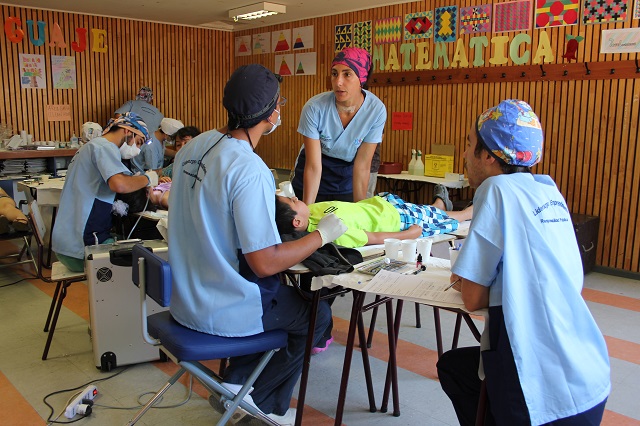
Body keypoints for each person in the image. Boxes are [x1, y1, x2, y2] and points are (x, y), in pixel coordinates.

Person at [167, 64, 347, 425]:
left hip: (185, 295)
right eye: (279, 103)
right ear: (270, 113)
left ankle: (237, 383)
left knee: (280, 302)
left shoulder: (195, 145)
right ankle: (260, 404)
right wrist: (321, 235)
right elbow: (265, 263)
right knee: (316, 316)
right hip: (224, 306)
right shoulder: (250, 168)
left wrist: (275, 208)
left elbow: (214, 202)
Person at [436, 100, 610, 425]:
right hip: (590, 374)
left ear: (489, 155)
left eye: (469, 145)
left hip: (540, 393)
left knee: (457, 370)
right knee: (456, 368)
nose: (465, 155)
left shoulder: (496, 189)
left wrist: (469, 281)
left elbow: (472, 297)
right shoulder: (547, 190)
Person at [52, 113, 158, 272]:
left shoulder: (91, 147)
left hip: (66, 244)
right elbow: (119, 185)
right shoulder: (105, 147)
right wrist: (148, 178)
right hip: (81, 248)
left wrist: (135, 180)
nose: (137, 149)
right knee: (147, 258)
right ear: (128, 131)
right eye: (138, 142)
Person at [291, 47, 387, 204]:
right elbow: (313, 166)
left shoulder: (375, 110)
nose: (338, 82)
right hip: (311, 179)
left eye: (347, 74)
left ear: (362, 78)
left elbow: (362, 166)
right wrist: (307, 210)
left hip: (346, 182)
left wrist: (359, 210)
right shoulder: (314, 108)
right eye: (334, 74)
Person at [275, 191, 473, 248]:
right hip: (397, 221)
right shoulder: (331, 232)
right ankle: (469, 212)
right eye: (292, 201)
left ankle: (438, 205)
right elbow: (373, 238)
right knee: (441, 219)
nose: (295, 197)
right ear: (297, 222)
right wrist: (407, 235)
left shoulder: (311, 211)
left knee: (428, 212)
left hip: (383, 204)